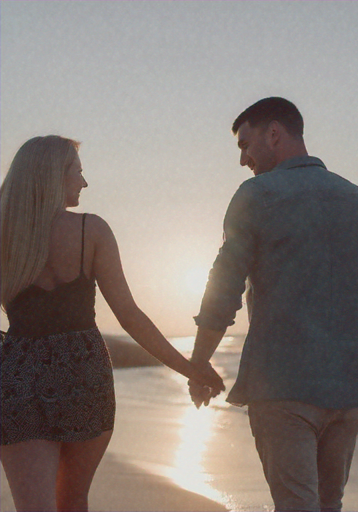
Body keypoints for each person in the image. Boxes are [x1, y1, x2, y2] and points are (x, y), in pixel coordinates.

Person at [188, 97, 358, 511]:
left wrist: (199, 362)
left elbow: (223, 289)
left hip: (282, 389)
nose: (243, 159)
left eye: (245, 144)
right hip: (350, 392)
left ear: (275, 133)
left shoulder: (257, 195)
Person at [0, 135, 224, 512]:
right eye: (78, 173)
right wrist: (192, 369)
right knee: (72, 500)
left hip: (18, 377)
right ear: (55, 176)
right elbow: (130, 316)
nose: (84, 183)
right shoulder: (92, 231)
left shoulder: (6, 236)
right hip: (83, 376)